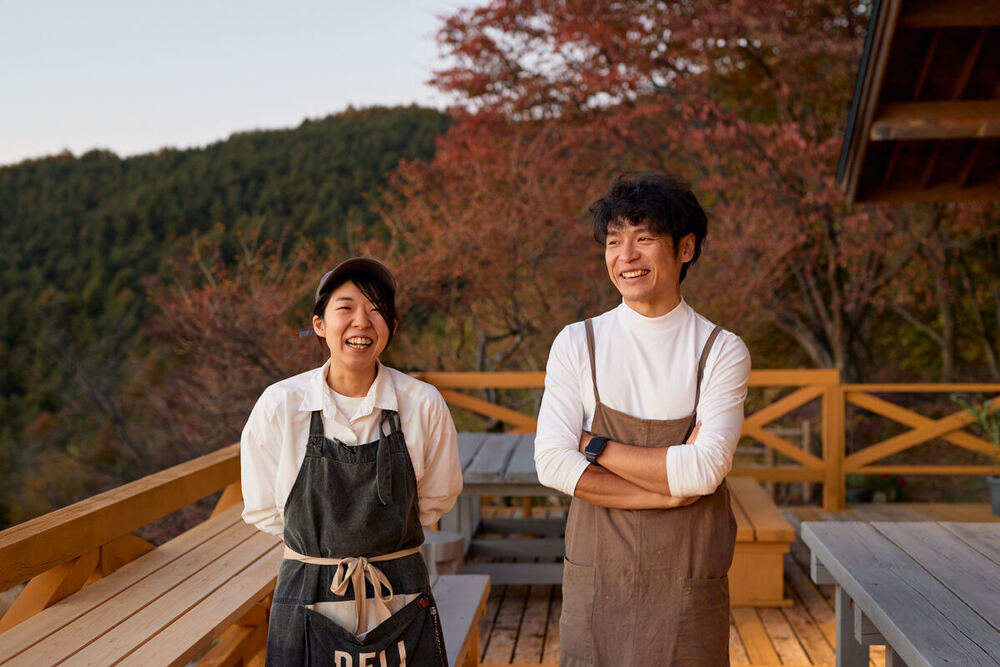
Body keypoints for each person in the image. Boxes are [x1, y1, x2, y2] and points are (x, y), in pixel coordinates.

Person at [534, 172, 751, 666]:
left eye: (644, 238)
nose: (625, 256)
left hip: (687, 583)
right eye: (614, 241)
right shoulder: (577, 343)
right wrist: (669, 492)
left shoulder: (721, 351)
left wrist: (596, 447)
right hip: (599, 579)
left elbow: (704, 471)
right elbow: (550, 463)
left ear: (686, 248)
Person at [240, 257, 463, 666]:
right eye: (346, 308)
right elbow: (262, 508)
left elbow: (437, 498)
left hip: (399, 593)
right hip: (307, 591)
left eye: (377, 310)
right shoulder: (281, 404)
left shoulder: (422, 403)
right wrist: (322, 551)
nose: (362, 321)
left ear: (391, 328)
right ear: (320, 324)